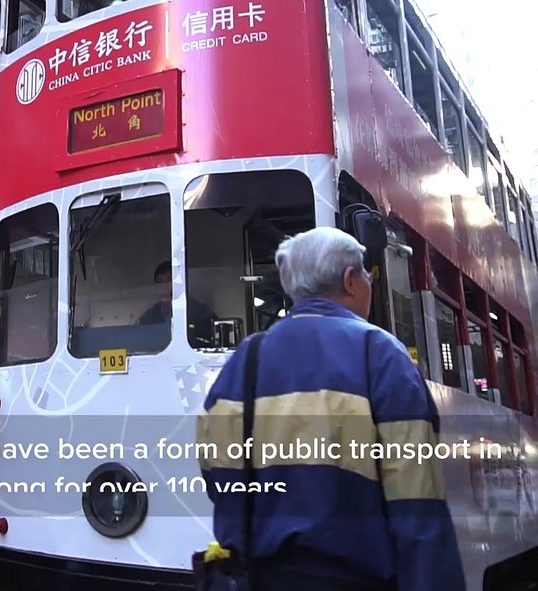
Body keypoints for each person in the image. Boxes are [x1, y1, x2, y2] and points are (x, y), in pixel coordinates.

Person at [196, 227, 465, 591]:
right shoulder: (379, 353)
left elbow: (217, 473)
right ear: (350, 280)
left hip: (254, 578)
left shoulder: (247, 357)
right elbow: (416, 501)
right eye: (367, 276)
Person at [139, 261, 219, 346]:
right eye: (160, 281)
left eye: (170, 280)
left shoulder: (200, 312)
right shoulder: (149, 316)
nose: (164, 286)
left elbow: (212, 343)